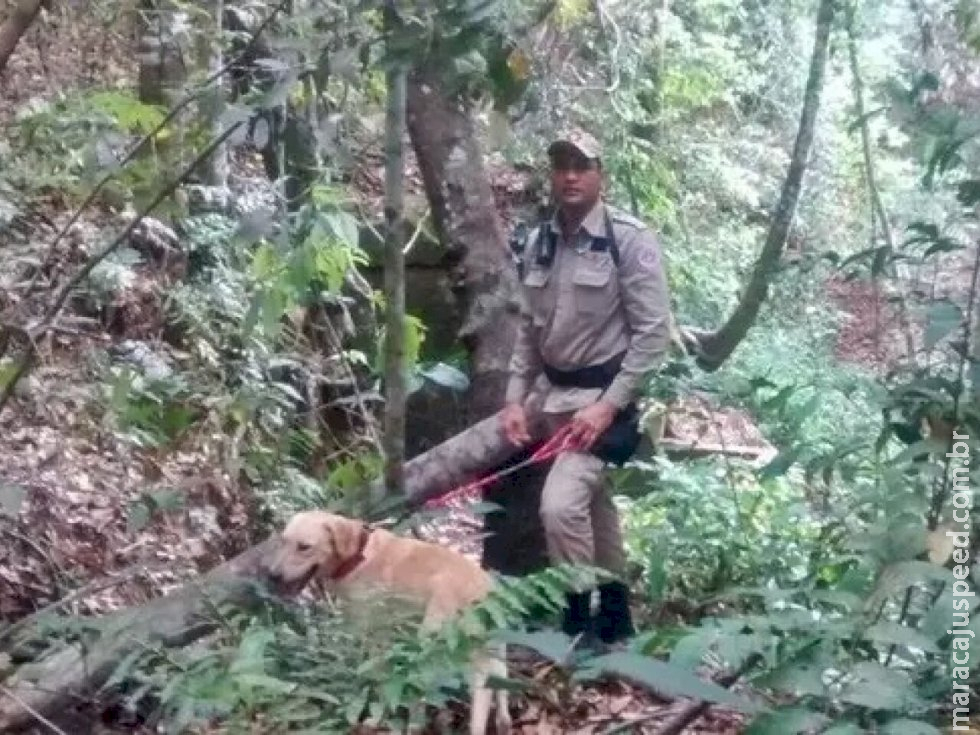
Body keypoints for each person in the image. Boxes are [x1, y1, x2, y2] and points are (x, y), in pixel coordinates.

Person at [501, 128, 673, 647]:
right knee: (595, 509)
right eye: (561, 165)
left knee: (559, 505)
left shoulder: (630, 240)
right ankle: (617, 620)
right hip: (554, 400)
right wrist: (514, 397)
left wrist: (608, 407)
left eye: (582, 164)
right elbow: (529, 330)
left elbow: (653, 335)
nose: (570, 175)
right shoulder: (539, 241)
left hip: (605, 406)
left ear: (602, 173)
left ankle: (578, 622)